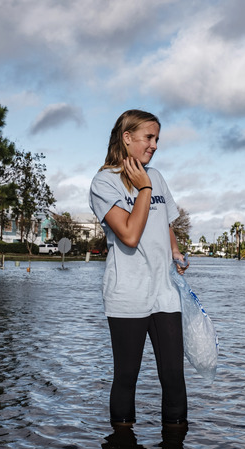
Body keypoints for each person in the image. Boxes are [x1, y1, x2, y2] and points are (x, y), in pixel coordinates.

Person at [89, 109, 189, 428]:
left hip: (165, 293)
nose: (155, 145)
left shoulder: (156, 176)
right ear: (127, 137)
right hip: (127, 294)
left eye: (157, 138)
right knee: (126, 377)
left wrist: (175, 251)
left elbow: (165, 221)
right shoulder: (104, 182)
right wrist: (143, 188)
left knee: (174, 378)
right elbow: (130, 235)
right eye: (149, 137)